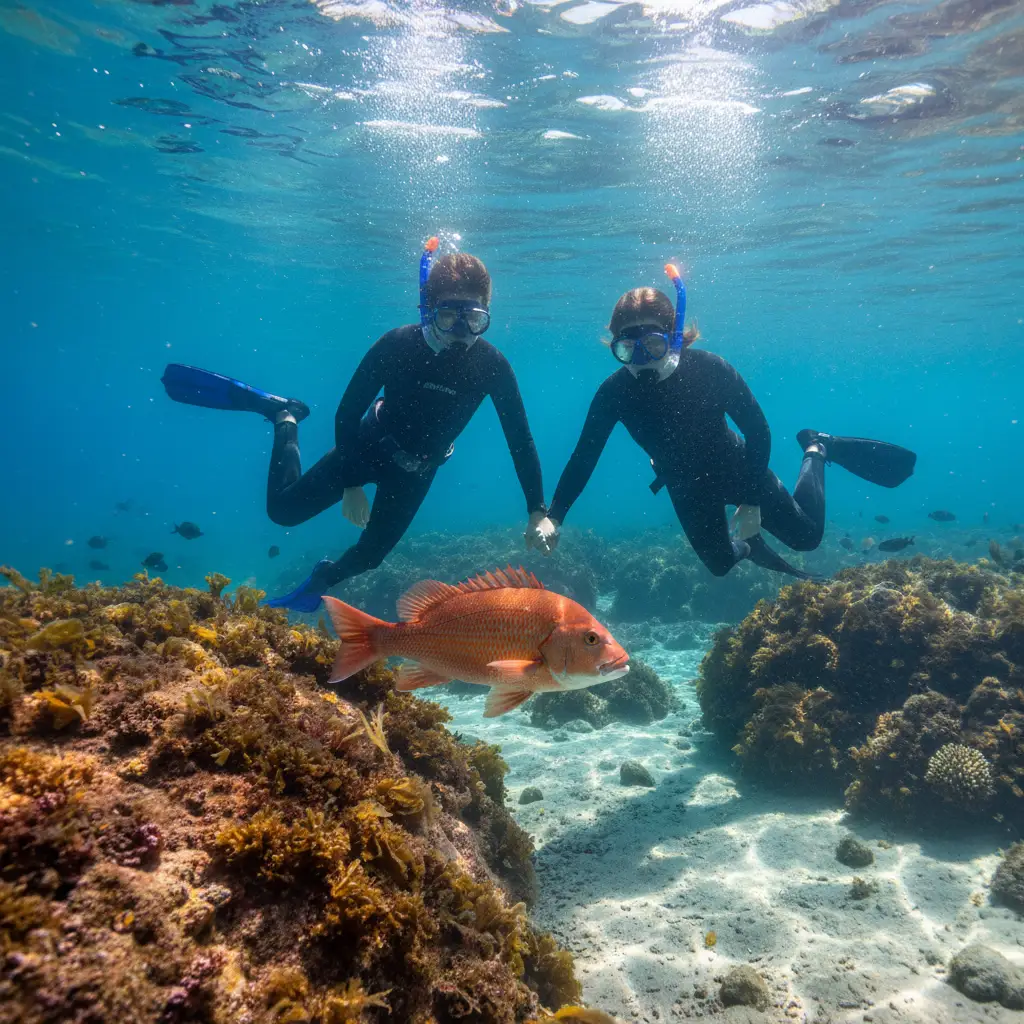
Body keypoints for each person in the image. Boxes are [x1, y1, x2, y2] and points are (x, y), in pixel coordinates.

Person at [162, 238, 555, 611]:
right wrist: (352, 482)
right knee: (282, 513)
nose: (460, 332)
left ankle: (319, 583)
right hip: (365, 445)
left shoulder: (492, 366)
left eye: (474, 319)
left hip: (419, 469)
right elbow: (346, 413)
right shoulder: (397, 345)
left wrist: (537, 509)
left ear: (487, 313)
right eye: (449, 315)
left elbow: (520, 439)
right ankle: (285, 417)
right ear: (427, 309)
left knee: (370, 556)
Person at [532, 264, 916, 578]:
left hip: (738, 467)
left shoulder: (710, 370)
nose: (642, 361)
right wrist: (556, 517)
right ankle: (749, 545)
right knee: (719, 565)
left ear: (675, 337)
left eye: (652, 346)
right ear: (614, 346)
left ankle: (818, 446)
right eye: (627, 349)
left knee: (808, 538)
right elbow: (584, 458)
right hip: (684, 484)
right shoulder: (614, 392)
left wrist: (750, 500)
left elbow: (758, 432)